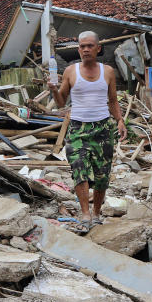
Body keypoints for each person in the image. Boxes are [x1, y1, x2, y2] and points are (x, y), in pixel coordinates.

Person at [48, 31, 127, 227]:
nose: (85, 49)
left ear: (98, 48)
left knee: (102, 174)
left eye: (89, 46)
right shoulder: (71, 71)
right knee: (79, 169)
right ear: (78, 49)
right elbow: (60, 103)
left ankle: (97, 212)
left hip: (102, 128)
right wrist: (53, 90)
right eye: (82, 46)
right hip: (77, 128)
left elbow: (113, 100)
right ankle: (85, 213)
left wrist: (120, 120)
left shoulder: (107, 71)